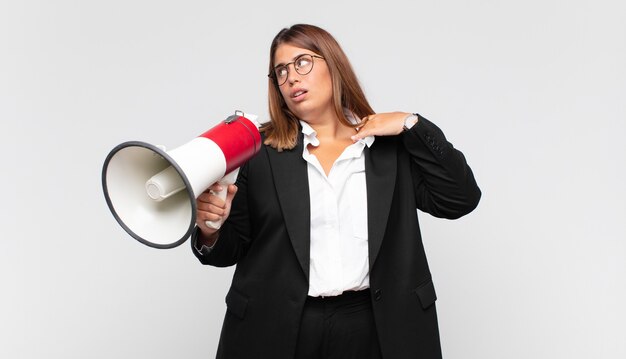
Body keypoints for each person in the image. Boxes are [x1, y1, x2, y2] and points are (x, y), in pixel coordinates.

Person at [191, 24, 481, 359]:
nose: (291, 78)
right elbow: (230, 249)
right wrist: (210, 230)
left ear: (333, 63)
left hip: (376, 325)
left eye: (302, 62)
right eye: (281, 71)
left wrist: (411, 124)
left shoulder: (390, 147)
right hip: (279, 326)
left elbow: (460, 198)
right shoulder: (259, 151)